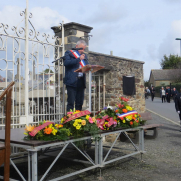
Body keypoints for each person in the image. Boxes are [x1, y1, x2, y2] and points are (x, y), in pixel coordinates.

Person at [63, 40, 89, 111]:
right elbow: (66, 63)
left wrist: (88, 68)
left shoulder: (84, 56)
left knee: (79, 102)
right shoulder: (69, 53)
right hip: (72, 81)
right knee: (70, 103)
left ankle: (78, 120)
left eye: (84, 49)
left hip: (81, 81)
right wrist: (78, 59)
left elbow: (87, 65)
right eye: (81, 48)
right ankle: (69, 119)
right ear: (76, 46)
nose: (83, 50)